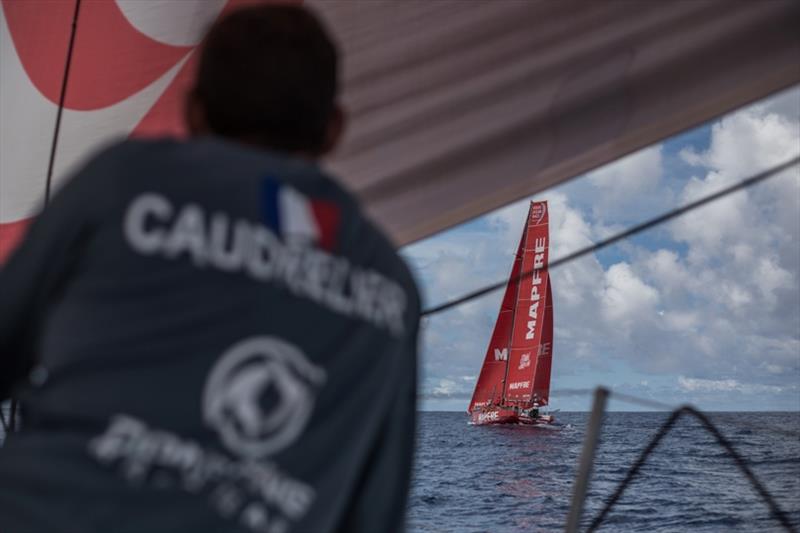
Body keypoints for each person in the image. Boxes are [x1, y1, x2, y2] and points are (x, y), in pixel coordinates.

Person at [0, 5, 420, 533]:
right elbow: (374, 516)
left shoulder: (125, 183)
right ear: (334, 128)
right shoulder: (391, 289)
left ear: (193, 111)